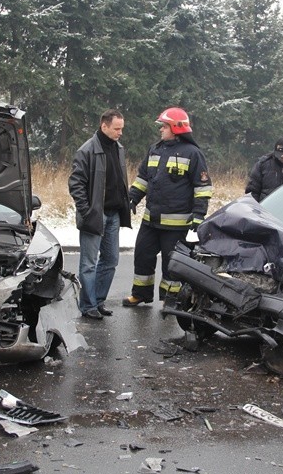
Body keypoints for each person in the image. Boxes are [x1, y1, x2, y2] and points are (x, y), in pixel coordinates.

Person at [123, 107, 213, 308]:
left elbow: (202, 187)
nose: (161, 130)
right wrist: (132, 198)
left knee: (171, 264)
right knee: (142, 256)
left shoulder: (193, 153)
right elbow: (143, 178)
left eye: (164, 126)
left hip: (176, 222)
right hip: (150, 219)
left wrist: (198, 214)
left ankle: (171, 299)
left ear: (176, 128)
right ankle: (140, 294)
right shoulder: (155, 149)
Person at [68, 109, 132, 320]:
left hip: (113, 215)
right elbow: (76, 184)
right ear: (104, 126)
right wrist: (87, 211)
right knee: (88, 263)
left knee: (111, 260)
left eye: (121, 128)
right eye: (117, 128)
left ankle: (98, 301)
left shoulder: (119, 148)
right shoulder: (87, 150)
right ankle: (88, 305)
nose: (120, 132)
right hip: (95, 216)